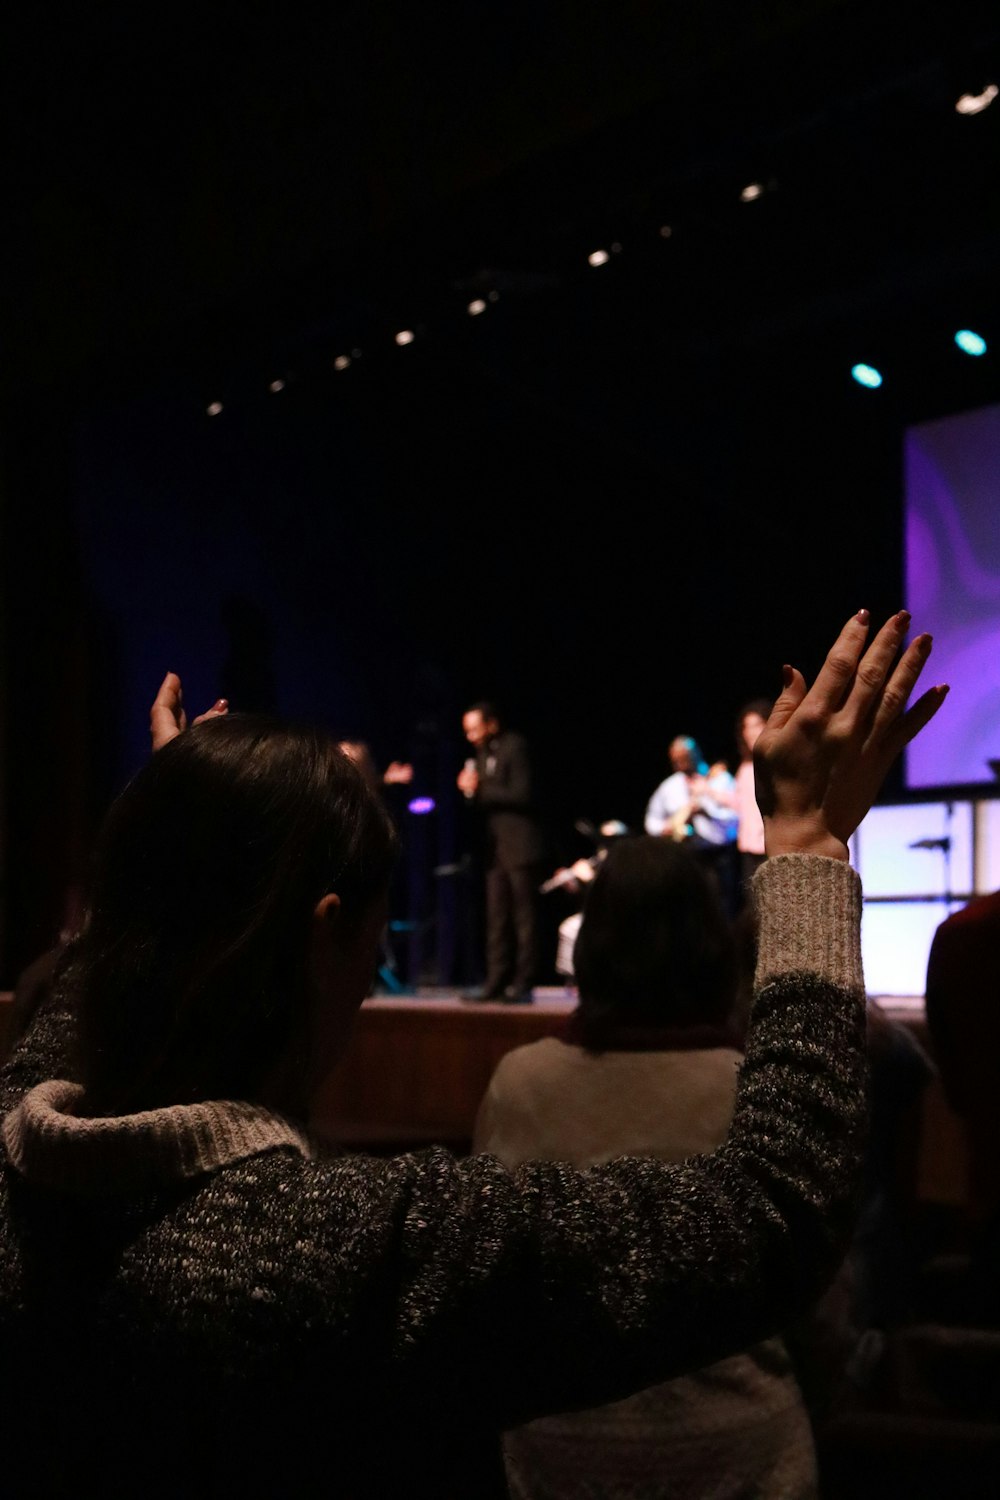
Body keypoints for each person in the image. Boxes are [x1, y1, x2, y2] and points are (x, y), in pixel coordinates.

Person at [0, 610, 945, 1498]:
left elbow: (74, 1014)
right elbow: (772, 1214)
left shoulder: (17, 1175)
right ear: (329, 936)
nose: (374, 970)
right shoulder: (339, 1248)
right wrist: (813, 847)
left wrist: (181, 849)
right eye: (371, 940)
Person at [474, 835, 818, 1499]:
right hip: (746, 1456)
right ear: (710, 944)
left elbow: (486, 1281)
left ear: (592, 947)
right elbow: (815, 1294)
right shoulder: (753, 1086)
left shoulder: (520, 1081)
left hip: (557, 1456)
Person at [457, 701, 546, 1003]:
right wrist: (469, 790)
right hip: (494, 849)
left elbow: (522, 793)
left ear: (492, 724)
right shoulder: (481, 754)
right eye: (467, 731)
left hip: (520, 845)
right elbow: (483, 800)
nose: (470, 737)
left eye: (474, 729)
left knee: (524, 919)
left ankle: (523, 983)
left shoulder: (514, 746)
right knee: (496, 919)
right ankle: (495, 981)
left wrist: (481, 787)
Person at [645, 734, 739, 913]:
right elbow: (651, 821)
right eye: (676, 760)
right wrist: (667, 827)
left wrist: (707, 812)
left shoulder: (719, 779)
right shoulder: (669, 787)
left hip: (719, 856)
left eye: (684, 758)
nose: (681, 764)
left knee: (721, 908)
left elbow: (736, 818)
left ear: (695, 754)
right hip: (687, 856)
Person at [733, 698, 773, 890]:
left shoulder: (775, 763)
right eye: (746, 727)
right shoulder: (745, 767)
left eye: (756, 725)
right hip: (750, 847)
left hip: (770, 845)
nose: (750, 732)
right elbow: (739, 803)